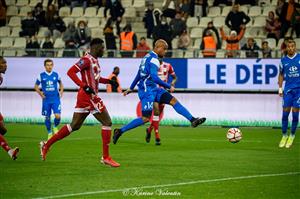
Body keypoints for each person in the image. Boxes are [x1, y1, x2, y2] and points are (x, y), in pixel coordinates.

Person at [40, 38, 120, 167]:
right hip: (89, 96)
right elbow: (71, 72)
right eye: (102, 47)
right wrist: (83, 86)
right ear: (95, 47)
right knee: (107, 122)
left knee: (74, 126)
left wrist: (109, 81)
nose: (103, 50)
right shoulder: (86, 59)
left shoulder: (95, 61)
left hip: (86, 96)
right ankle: (106, 157)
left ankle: (46, 144)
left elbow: (96, 79)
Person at [113, 39, 206, 145]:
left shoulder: (146, 57)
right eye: (164, 49)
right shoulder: (154, 60)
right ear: (158, 47)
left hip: (154, 88)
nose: (165, 52)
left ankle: (192, 120)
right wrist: (168, 86)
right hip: (147, 90)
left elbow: (139, 73)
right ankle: (120, 131)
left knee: (173, 101)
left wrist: (131, 87)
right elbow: (155, 78)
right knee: (145, 118)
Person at [145, 59, 177, 145]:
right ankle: (157, 136)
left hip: (163, 93)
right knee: (156, 112)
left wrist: (172, 85)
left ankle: (149, 130)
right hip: (154, 92)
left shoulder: (168, 66)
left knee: (157, 115)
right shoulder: (151, 66)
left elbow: (174, 77)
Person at [278, 40, 300, 148]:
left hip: (299, 90)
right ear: (286, 48)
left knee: (295, 113)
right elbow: (281, 74)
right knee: (285, 113)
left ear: (295, 47)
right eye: (289, 47)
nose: (291, 48)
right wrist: (280, 88)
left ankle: (292, 135)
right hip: (288, 90)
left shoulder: (299, 58)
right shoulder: (283, 60)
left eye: (293, 46)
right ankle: (284, 135)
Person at [34, 59, 63, 140]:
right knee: (47, 117)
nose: (49, 66)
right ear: (45, 66)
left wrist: (61, 91)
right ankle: (49, 132)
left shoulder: (56, 75)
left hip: (55, 98)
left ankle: (55, 126)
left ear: (53, 65)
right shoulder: (41, 75)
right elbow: (36, 86)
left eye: (51, 65)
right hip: (46, 100)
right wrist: (41, 94)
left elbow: (61, 84)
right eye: (48, 65)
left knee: (58, 116)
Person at [0, 56, 20, 160]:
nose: (6, 65)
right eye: (3, 63)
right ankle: (10, 151)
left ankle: (10, 151)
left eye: (6, 63)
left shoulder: (0, 79)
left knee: (3, 130)